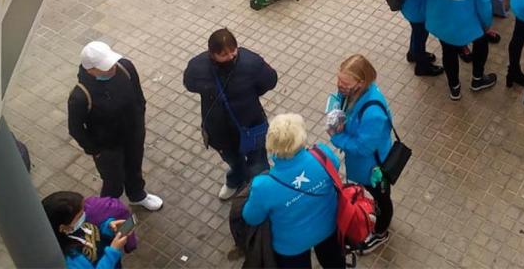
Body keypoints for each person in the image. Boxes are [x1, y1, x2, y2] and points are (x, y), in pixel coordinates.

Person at [67, 41, 163, 211]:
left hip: (133, 134)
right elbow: (75, 129)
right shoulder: (80, 96)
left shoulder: (125, 67)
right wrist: (95, 150)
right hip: (107, 147)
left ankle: (137, 195)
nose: (112, 68)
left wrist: (139, 122)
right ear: (91, 70)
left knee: (134, 167)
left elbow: (138, 96)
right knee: (113, 181)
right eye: (105, 66)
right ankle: (108, 209)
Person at [184, 28, 278, 199]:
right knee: (233, 160)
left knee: (258, 163)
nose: (231, 56)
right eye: (224, 54)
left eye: (233, 51)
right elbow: (189, 83)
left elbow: (270, 80)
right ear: (212, 54)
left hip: (251, 125)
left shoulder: (251, 62)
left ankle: (261, 194)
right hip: (219, 131)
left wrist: (248, 95)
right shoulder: (198, 67)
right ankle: (236, 180)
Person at [242, 114, 345, 269]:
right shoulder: (323, 155)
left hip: (290, 246)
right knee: (334, 263)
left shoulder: (263, 186)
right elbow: (335, 170)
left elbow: (252, 218)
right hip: (328, 227)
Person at [328, 55, 394, 253]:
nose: (340, 86)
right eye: (339, 80)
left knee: (381, 199)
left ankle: (381, 232)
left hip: (374, 168)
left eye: (345, 83)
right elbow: (341, 101)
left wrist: (336, 137)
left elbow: (363, 147)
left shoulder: (373, 113)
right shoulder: (355, 93)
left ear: (361, 82)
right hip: (363, 164)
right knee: (373, 197)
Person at [425, 0, 497, 99]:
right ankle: (477, 79)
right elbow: (484, 5)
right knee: (481, 45)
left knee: (448, 53)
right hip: (470, 27)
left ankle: (454, 88)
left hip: (443, 26)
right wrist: (487, 25)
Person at [42, 191, 131, 269]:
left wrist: (109, 227)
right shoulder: (71, 260)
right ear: (62, 227)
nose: (85, 214)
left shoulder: (75, 225)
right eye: (79, 216)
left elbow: (95, 231)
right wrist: (113, 251)